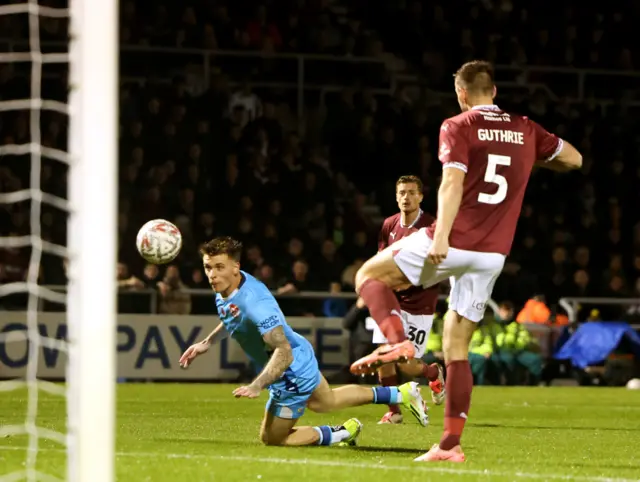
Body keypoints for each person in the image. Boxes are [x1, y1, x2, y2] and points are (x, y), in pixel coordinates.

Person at [349, 60, 583, 462]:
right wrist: (529, 159)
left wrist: (440, 235)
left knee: (368, 275)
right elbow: (574, 159)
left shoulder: (457, 125)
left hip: (455, 240)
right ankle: (449, 445)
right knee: (457, 347)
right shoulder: (526, 128)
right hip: (493, 255)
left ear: (461, 94)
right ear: (493, 91)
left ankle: (397, 342)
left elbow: (452, 181)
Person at [179, 236, 429, 448]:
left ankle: (339, 433)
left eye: (219, 267)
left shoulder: (256, 304)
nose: (212, 275)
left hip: (290, 370)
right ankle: (400, 393)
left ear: (236, 267)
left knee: (272, 438)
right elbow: (232, 317)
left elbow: (283, 351)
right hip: (299, 353)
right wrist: (207, 343)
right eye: (208, 267)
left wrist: (257, 385)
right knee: (327, 401)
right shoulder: (228, 286)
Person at [365, 175, 445, 424]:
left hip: (419, 302)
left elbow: (439, 264)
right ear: (396, 196)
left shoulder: (432, 225)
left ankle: (433, 372)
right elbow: (381, 259)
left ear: (421, 196)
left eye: (411, 192)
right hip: (390, 300)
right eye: (401, 193)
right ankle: (394, 412)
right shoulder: (389, 225)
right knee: (382, 355)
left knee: (406, 363)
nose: (406, 197)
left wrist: (410, 280)